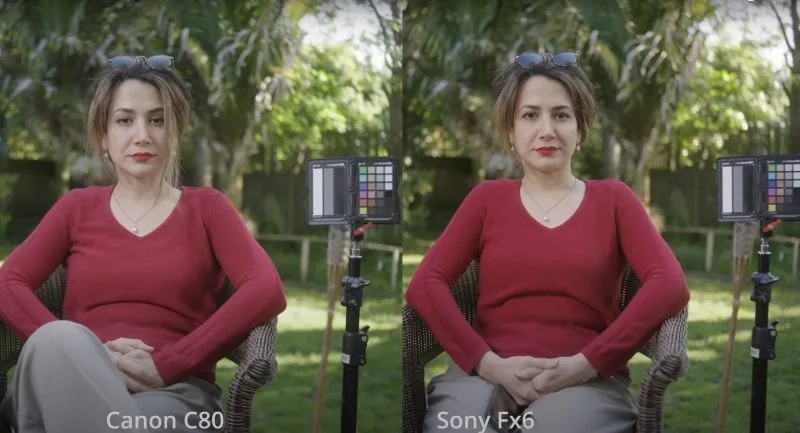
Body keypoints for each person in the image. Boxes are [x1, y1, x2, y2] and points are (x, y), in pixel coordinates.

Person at [404, 52, 690, 433]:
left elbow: (669, 284)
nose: (546, 130)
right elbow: (425, 284)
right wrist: (488, 363)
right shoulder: (486, 200)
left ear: (581, 128)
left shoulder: (614, 200)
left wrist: (586, 363)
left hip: (587, 383)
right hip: (483, 375)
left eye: (561, 115)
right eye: (529, 115)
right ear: (510, 131)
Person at [0, 55, 287, 433]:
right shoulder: (76, 208)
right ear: (103, 136)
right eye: (124, 120)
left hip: (177, 395)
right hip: (64, 381)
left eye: (157, 120)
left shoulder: (207, 208)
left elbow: (266, 289)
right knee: (58, 339)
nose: (142, 135)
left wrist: (168, 364)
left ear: (176, 132)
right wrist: (87, 357)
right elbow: (8, 283)